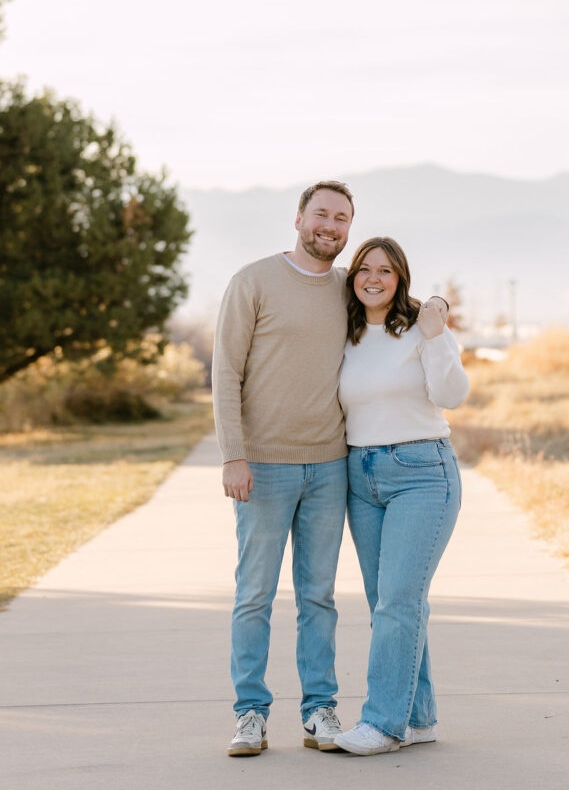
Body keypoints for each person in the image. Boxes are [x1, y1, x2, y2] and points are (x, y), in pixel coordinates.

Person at [212, 180, 355, 757]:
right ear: (298, 218)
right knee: (255, 596)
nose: (331, 225)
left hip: (330, 466)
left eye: (342, 218)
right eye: (321, 213)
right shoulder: (253, 281)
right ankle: (250, 714)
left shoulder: (350, 288)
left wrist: (438, 306)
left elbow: (404, 314)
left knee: (319, 597)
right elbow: (225, 372)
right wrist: (233, 454)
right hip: (264, 467)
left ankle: (320, 710)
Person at [334, 236, 470, 756]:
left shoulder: (422, 329)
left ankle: (383, 724)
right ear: (353, 278)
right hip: (360, 474)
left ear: (401, 279)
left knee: (398, 601)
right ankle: (419, 718)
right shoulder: (344, 333)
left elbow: (451, 395)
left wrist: (435, 335)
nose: (373, 278)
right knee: (388, 602)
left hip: (421, 472)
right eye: (364, 269)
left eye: (385, 271)